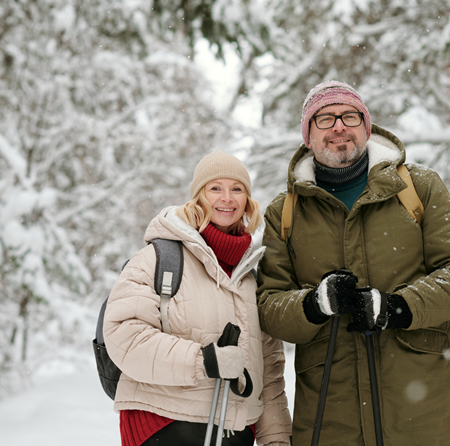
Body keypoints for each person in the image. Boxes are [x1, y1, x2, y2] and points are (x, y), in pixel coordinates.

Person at [256, 80, 450, 446]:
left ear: (367, 126)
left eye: (349, 116)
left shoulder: (419, 189)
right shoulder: (285, 212)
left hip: (422, 414)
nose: (339, 127)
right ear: (308, 136)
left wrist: (398, 307)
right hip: (331, 417)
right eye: (324, 119)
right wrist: (314, 304)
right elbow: (268, 306)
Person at [103, 150, 292, 446]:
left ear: (247, 201)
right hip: (163, 424)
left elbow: (268, 371)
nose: (226, 198)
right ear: (198, 198)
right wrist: (202, 360)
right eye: (215, 188)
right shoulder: (158, 258)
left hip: (235, 431)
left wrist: (278, 438)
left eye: (237, 189)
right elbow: (124, 335)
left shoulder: (250, 279)